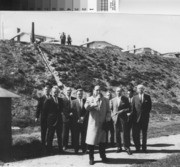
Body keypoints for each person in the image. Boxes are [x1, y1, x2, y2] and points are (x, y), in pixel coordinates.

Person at [85, 85, 111, 165]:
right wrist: (95, 101)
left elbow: (108, 111)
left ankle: (103, 156)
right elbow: (86, 107)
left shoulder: (106, 100)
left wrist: (107, 118)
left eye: (99, 90)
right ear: (93, 91)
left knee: (102, 142)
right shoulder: (90, 99)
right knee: (91, 143)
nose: (98, 92)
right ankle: (91, 158)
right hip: (93, 125)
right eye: (96, 90)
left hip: (102, 124)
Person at [110, 87, 132, 155]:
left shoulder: (125, 99)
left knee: (125, 133)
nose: (118, 92)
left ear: (122, 92)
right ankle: (119, 147)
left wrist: (123, 111)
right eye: (117, 91)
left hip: (123, 118)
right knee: (117, 133)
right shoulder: (112, 100)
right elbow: (111, 110)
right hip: (116, 118)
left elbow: (129, 108)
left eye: (120, 91)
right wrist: (113, 117)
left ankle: (126, 147)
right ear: (115, 92)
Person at [132, 84, 152, 153]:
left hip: (145, 119)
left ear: (143, 89)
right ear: (137, 90)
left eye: (141, 88)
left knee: (144, 134)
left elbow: (149, 107)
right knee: (136, 134)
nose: (140, 90)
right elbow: (133, 109)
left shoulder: (147, 97)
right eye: (139, 88)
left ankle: (144, 148)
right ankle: (137, 148)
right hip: (136, 119)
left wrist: (145, 115)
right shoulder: (134, 97)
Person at [44, 86, 63, 154]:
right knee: (50, 135)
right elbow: (45, 112)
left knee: (59, 135)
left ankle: (61, 150)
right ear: (52, 92)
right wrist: (47, 120)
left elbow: (62, 109)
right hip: (51, 121)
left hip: (59, 120)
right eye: (54, 92)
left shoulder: (61, 100)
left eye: (57, 92)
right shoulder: (48, 100)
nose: (55, 93)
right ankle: (49, 150)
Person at [71, 88, 88, 154]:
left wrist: (83, 117)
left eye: (81, 94)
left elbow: (87, 111)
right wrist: (78, 118)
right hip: (76, 122)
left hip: (84, 121)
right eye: (78, 94)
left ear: (82, 94)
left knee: (84, 136)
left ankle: (84, 149)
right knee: (76, 136)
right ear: (76, 94)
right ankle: (76, 149)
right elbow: (72, 111)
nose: (79, 95)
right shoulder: (73, 101)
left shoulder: (85, 101)